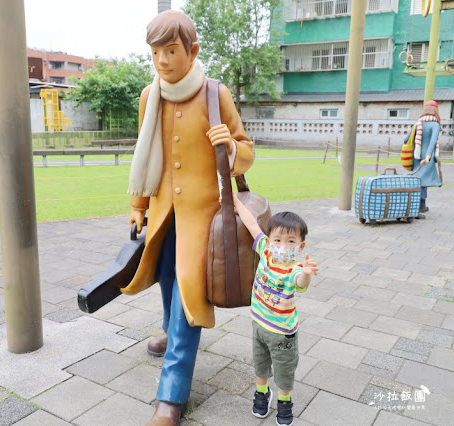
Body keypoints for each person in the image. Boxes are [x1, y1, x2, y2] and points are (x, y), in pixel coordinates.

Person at [122, 10, 255, 425]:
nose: (163, 60)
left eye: (172, 50)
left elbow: (246, 148)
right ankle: (168, 331)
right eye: (156, 52)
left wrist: (231, 149)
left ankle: (171, 396)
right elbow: (143, 156)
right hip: (163, 213)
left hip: (205, 216)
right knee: (165, 278)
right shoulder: (150, 96)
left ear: (192, 51)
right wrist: (139, 206)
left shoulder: (216, 95)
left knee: (188, 294)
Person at [233, 193, 319, 426]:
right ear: (269, 240)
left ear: (300, 246)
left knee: (284, 370)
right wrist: (235, 200)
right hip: (259, 324)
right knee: (260, 363)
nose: (283, 246)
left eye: (291, 241)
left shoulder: (295, 268)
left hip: (283, 333)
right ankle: (262, 393)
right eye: (278, 239)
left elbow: (300, 283)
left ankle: (284, 400)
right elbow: (251, 223)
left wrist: (307, 274)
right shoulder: (266, 251)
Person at [410, 100, 443, 219]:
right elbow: (433, 142)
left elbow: (406, 139)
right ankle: (420, 205)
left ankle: (420, 205)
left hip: (417, 156)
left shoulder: (418, 123)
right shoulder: (435, 124)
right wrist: (428, 156)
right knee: (422, 181)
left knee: (419, 179)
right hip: (427, 158)